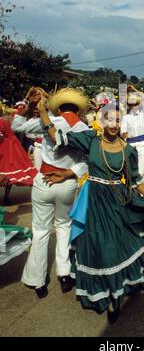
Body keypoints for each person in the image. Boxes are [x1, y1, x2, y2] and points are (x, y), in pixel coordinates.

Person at [39, 102, 144, 322]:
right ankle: (104, 290)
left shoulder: (128, 150)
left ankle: (115, 298)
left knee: (114, 248)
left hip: (117, 203)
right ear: (102, 120)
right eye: (110, 119)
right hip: (93, 202)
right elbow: (57, 136)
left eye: (118, 120)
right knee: (95, 246)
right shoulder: (91, 139)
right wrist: (42, 112)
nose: (114, 124)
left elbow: (135, 181)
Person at [11, 88, 90, 299]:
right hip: (66, 183)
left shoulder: (49, 120)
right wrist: (69, 172)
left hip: (44, 180)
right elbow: (86, 160)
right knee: (64, 226)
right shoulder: (83, 127)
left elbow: (15, 126)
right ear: (77, 108)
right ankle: (64, 274)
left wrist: (28, 104)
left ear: (59, 107)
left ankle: (37, 280)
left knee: (40, 230)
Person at [0, 104, 37, 204]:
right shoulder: (7, 119)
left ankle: (6, 196)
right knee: (9, 171)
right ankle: (6, 196)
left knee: (6, 171)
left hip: (5, 147)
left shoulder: (2, 121)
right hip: (12, 146)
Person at [121, 85, 144, 180]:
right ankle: (132, 192)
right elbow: (123, 132)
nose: (133, 106)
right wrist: (123, 134)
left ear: (138, 104)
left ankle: (140, 194)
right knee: (130, 171)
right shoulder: (126, 117)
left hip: (141, 144)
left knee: (141, 171)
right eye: (131, 105)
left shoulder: (143, 114)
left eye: (135, 104)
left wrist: (135, 90)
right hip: (129, 145)